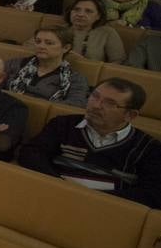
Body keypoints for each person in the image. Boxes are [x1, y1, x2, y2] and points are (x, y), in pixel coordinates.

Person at [17, 79, 161, 208]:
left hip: (105, 210)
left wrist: (91, 199)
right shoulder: (63, 124)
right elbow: (31, 153)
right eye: (95, 96)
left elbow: (153, 194)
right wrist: (60, 184)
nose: (96, 105)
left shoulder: (149, 148)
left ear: (130, 115)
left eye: (110, 103)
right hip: (49, 195)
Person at [2, 27, 90, 106]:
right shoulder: (14, 64)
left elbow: (75, 105)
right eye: (38, 41)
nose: (41, 46)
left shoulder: (76, 79)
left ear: (66, 48)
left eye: (49, 43)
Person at [64, 0, 125, 64]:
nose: (80, 14)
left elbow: (118, 61)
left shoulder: (107, 32)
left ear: (98, 16)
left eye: (88, 11)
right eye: (76, 9)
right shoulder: (59, 30)